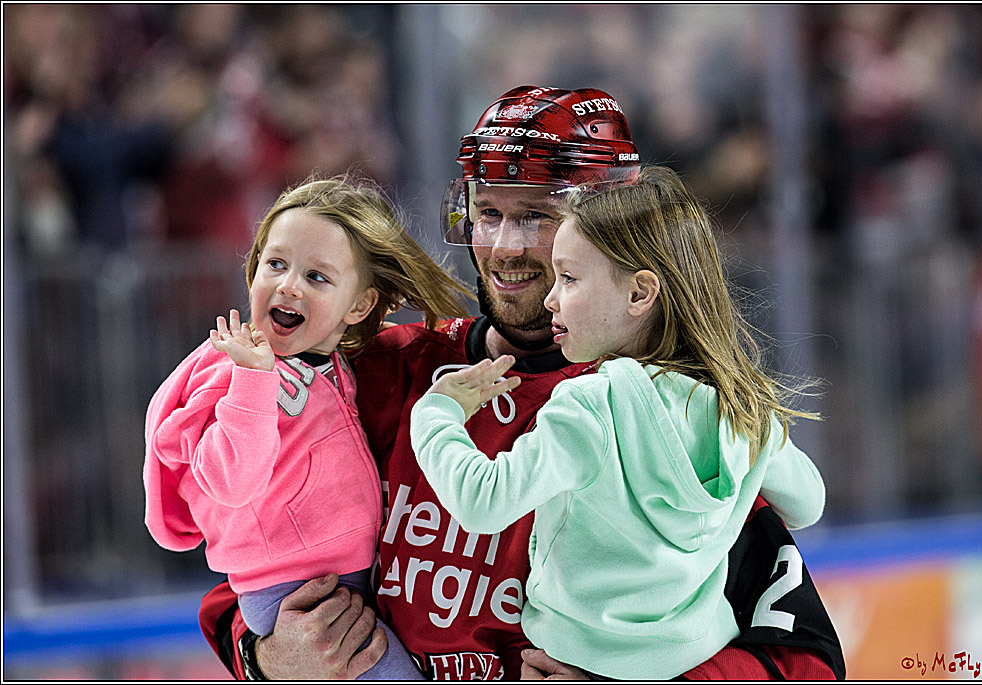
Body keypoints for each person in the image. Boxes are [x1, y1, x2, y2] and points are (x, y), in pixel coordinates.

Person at [198, 86, 845, 680]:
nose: (505, 246)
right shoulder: (378, 372)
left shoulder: (661, 409)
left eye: (537, 215)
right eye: (488, 212)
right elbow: (249, 559)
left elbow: (807, 658)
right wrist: (266, 656)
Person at [411, 165, 826, 679]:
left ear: (638, 294)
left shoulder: (589, 404)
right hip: (690, 655)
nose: (551, 298)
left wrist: (437, 414)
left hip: (574, 654)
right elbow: (808, 503)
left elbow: (483, 501)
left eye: (569, 279)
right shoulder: (742, 407)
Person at [144, 174, 472, 680]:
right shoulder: (232, 369)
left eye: (317, 276)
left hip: (342, 576)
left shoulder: (328, 360)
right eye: (275, 264)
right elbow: (228, 482)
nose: (288, 285)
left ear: (359, 305)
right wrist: (252, 381)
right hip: (293, 592)